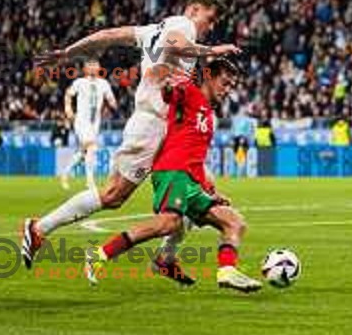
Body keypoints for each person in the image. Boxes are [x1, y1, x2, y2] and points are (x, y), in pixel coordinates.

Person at [21, 0, 241, 268]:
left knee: (196, 187)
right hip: (152, 124)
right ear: (195, 9)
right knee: (113, 194)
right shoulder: (183, 25)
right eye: (209, 19)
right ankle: (39, 229)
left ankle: (166, 257)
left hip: (166, 126)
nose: (209, 27)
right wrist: (211, 50)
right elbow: (174, 44)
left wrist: (69, 52)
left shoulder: (150, 30)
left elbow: (107, 36)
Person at [86, 58, 262, 293]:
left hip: (189, 178)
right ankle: (100, 254)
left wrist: (211, 192)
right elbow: (170, 92)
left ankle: (227, 271)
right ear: (209, 77)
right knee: (170, 222)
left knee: (234, 222)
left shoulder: (209, 115)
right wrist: (172, 85)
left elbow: (197, 160)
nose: (228, 89)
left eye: (231, 85)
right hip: (171, 171)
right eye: (225, 82)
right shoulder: (189, 92)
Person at [60, 61, 117, 191]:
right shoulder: (79, 82)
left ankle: (65, 173)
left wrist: (113, 105)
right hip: (81, 120)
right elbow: (68, 94)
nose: (92, 67)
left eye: (95, 65)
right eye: (89, 65)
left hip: (94, 123)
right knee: (91, 147)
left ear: (99, 68)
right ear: (85, 68)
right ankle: (90, 183)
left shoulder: (104, 84)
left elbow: (111, 99)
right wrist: (68, 108)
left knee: (83, 152)